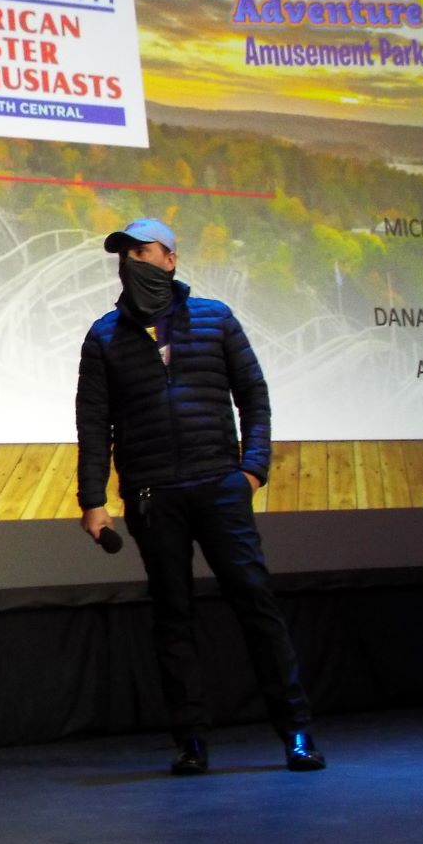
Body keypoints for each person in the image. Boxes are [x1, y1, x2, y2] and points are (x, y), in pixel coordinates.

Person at [75, 217, 325, 775]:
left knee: (255, 605)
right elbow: (93, 424)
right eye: (125, 255)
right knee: (173, 618)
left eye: (143, 252)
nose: (133, 262)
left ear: (170, 260)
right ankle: (190, 740)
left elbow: (253, 396)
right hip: (152, 494)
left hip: (218, 487)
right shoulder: (104, 335)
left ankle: (297, 732)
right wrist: (93, 499)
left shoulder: (215, 318)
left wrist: (251, 471)